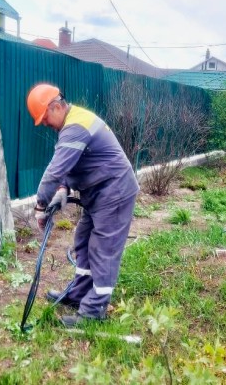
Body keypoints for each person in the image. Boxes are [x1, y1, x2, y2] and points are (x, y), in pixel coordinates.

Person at [27, 83, 139, 327]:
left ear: (56, 107)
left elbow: (55, 170)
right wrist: (63, 189)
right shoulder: (73, 123)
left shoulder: (75, 126)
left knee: (103, 248)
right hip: (99, 193)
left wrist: (40, 205)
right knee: (83, 241)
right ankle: (79, 294)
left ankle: (94, 310)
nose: (45, 124)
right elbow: (71, 165)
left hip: (114, 191)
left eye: (45, 118)